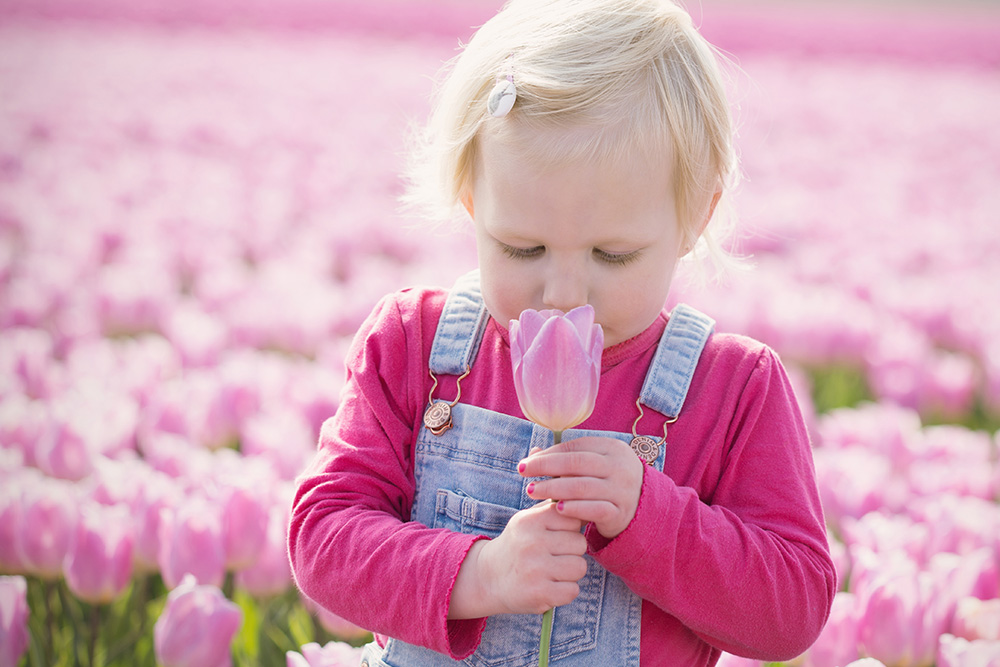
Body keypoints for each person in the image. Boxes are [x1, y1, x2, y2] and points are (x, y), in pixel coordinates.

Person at [288, 0, 837, 665]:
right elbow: (321, 536)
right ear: (472, 202)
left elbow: (793, 608)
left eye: (613, 255)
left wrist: (649, 515)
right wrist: (477, 574)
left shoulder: (734, 388)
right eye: (523, 248)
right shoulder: (417, 348)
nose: (563, 294)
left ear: (697, 215)